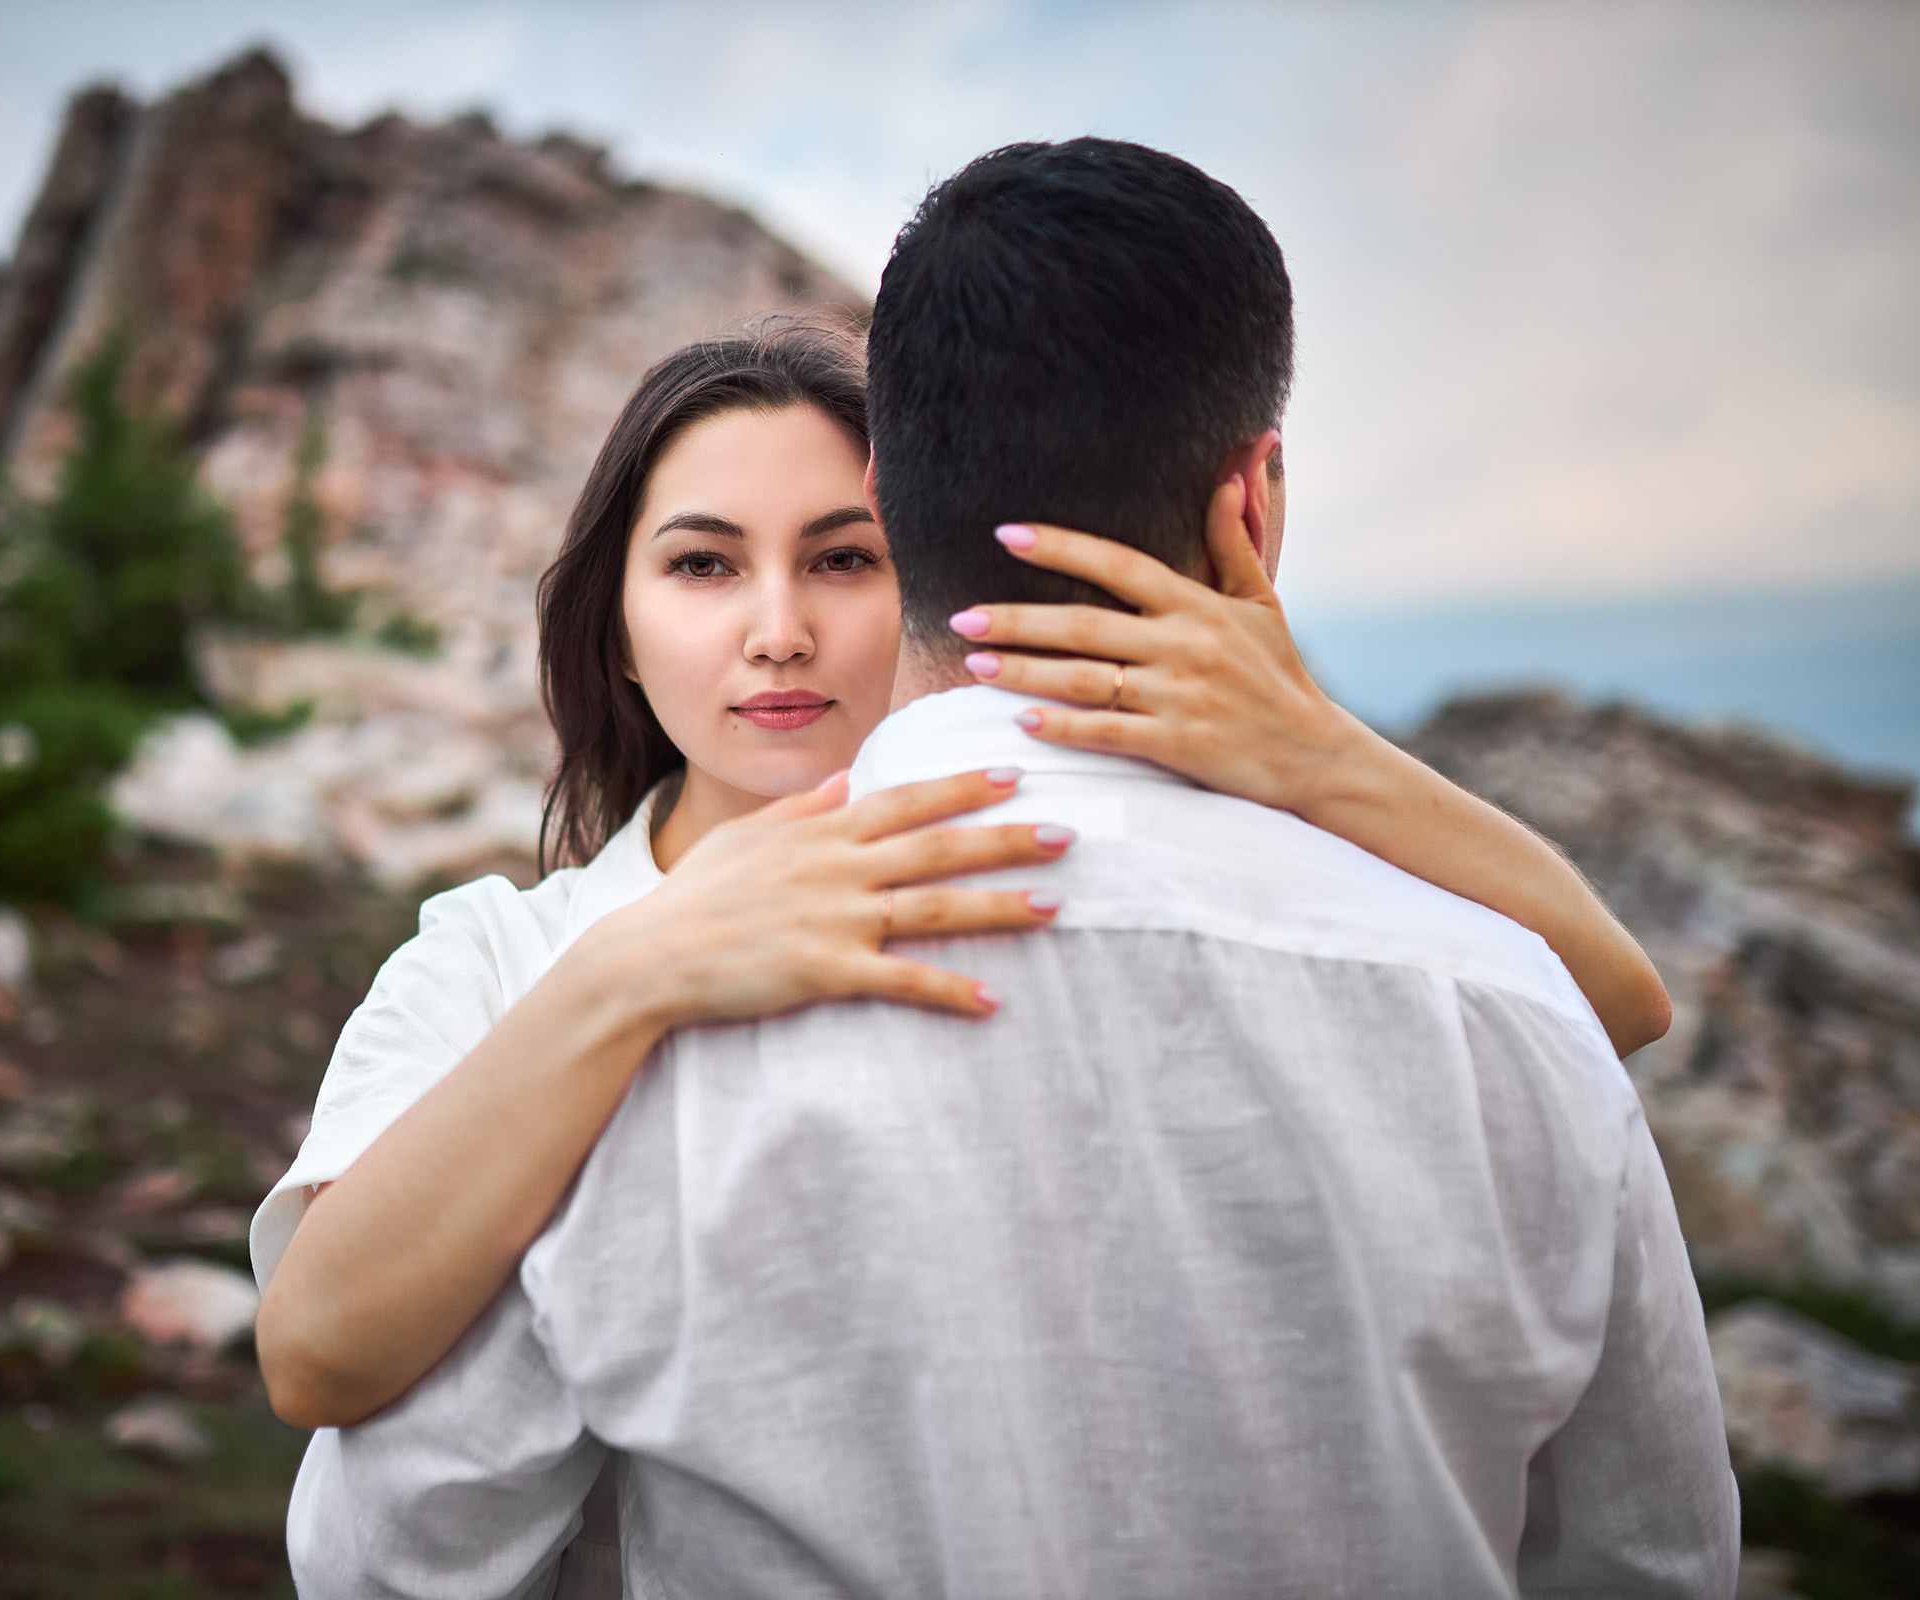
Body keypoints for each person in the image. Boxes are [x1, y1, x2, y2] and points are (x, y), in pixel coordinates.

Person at [272, 139, 1738, 1597]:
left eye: (844, 560)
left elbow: (383, 1561)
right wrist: (626, 978)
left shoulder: (674, 1089)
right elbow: (322, 1358)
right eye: (706, 565)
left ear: (921, 543)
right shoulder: (540, 993)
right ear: (616, 622)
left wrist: (1321, 752)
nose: (778, 631)